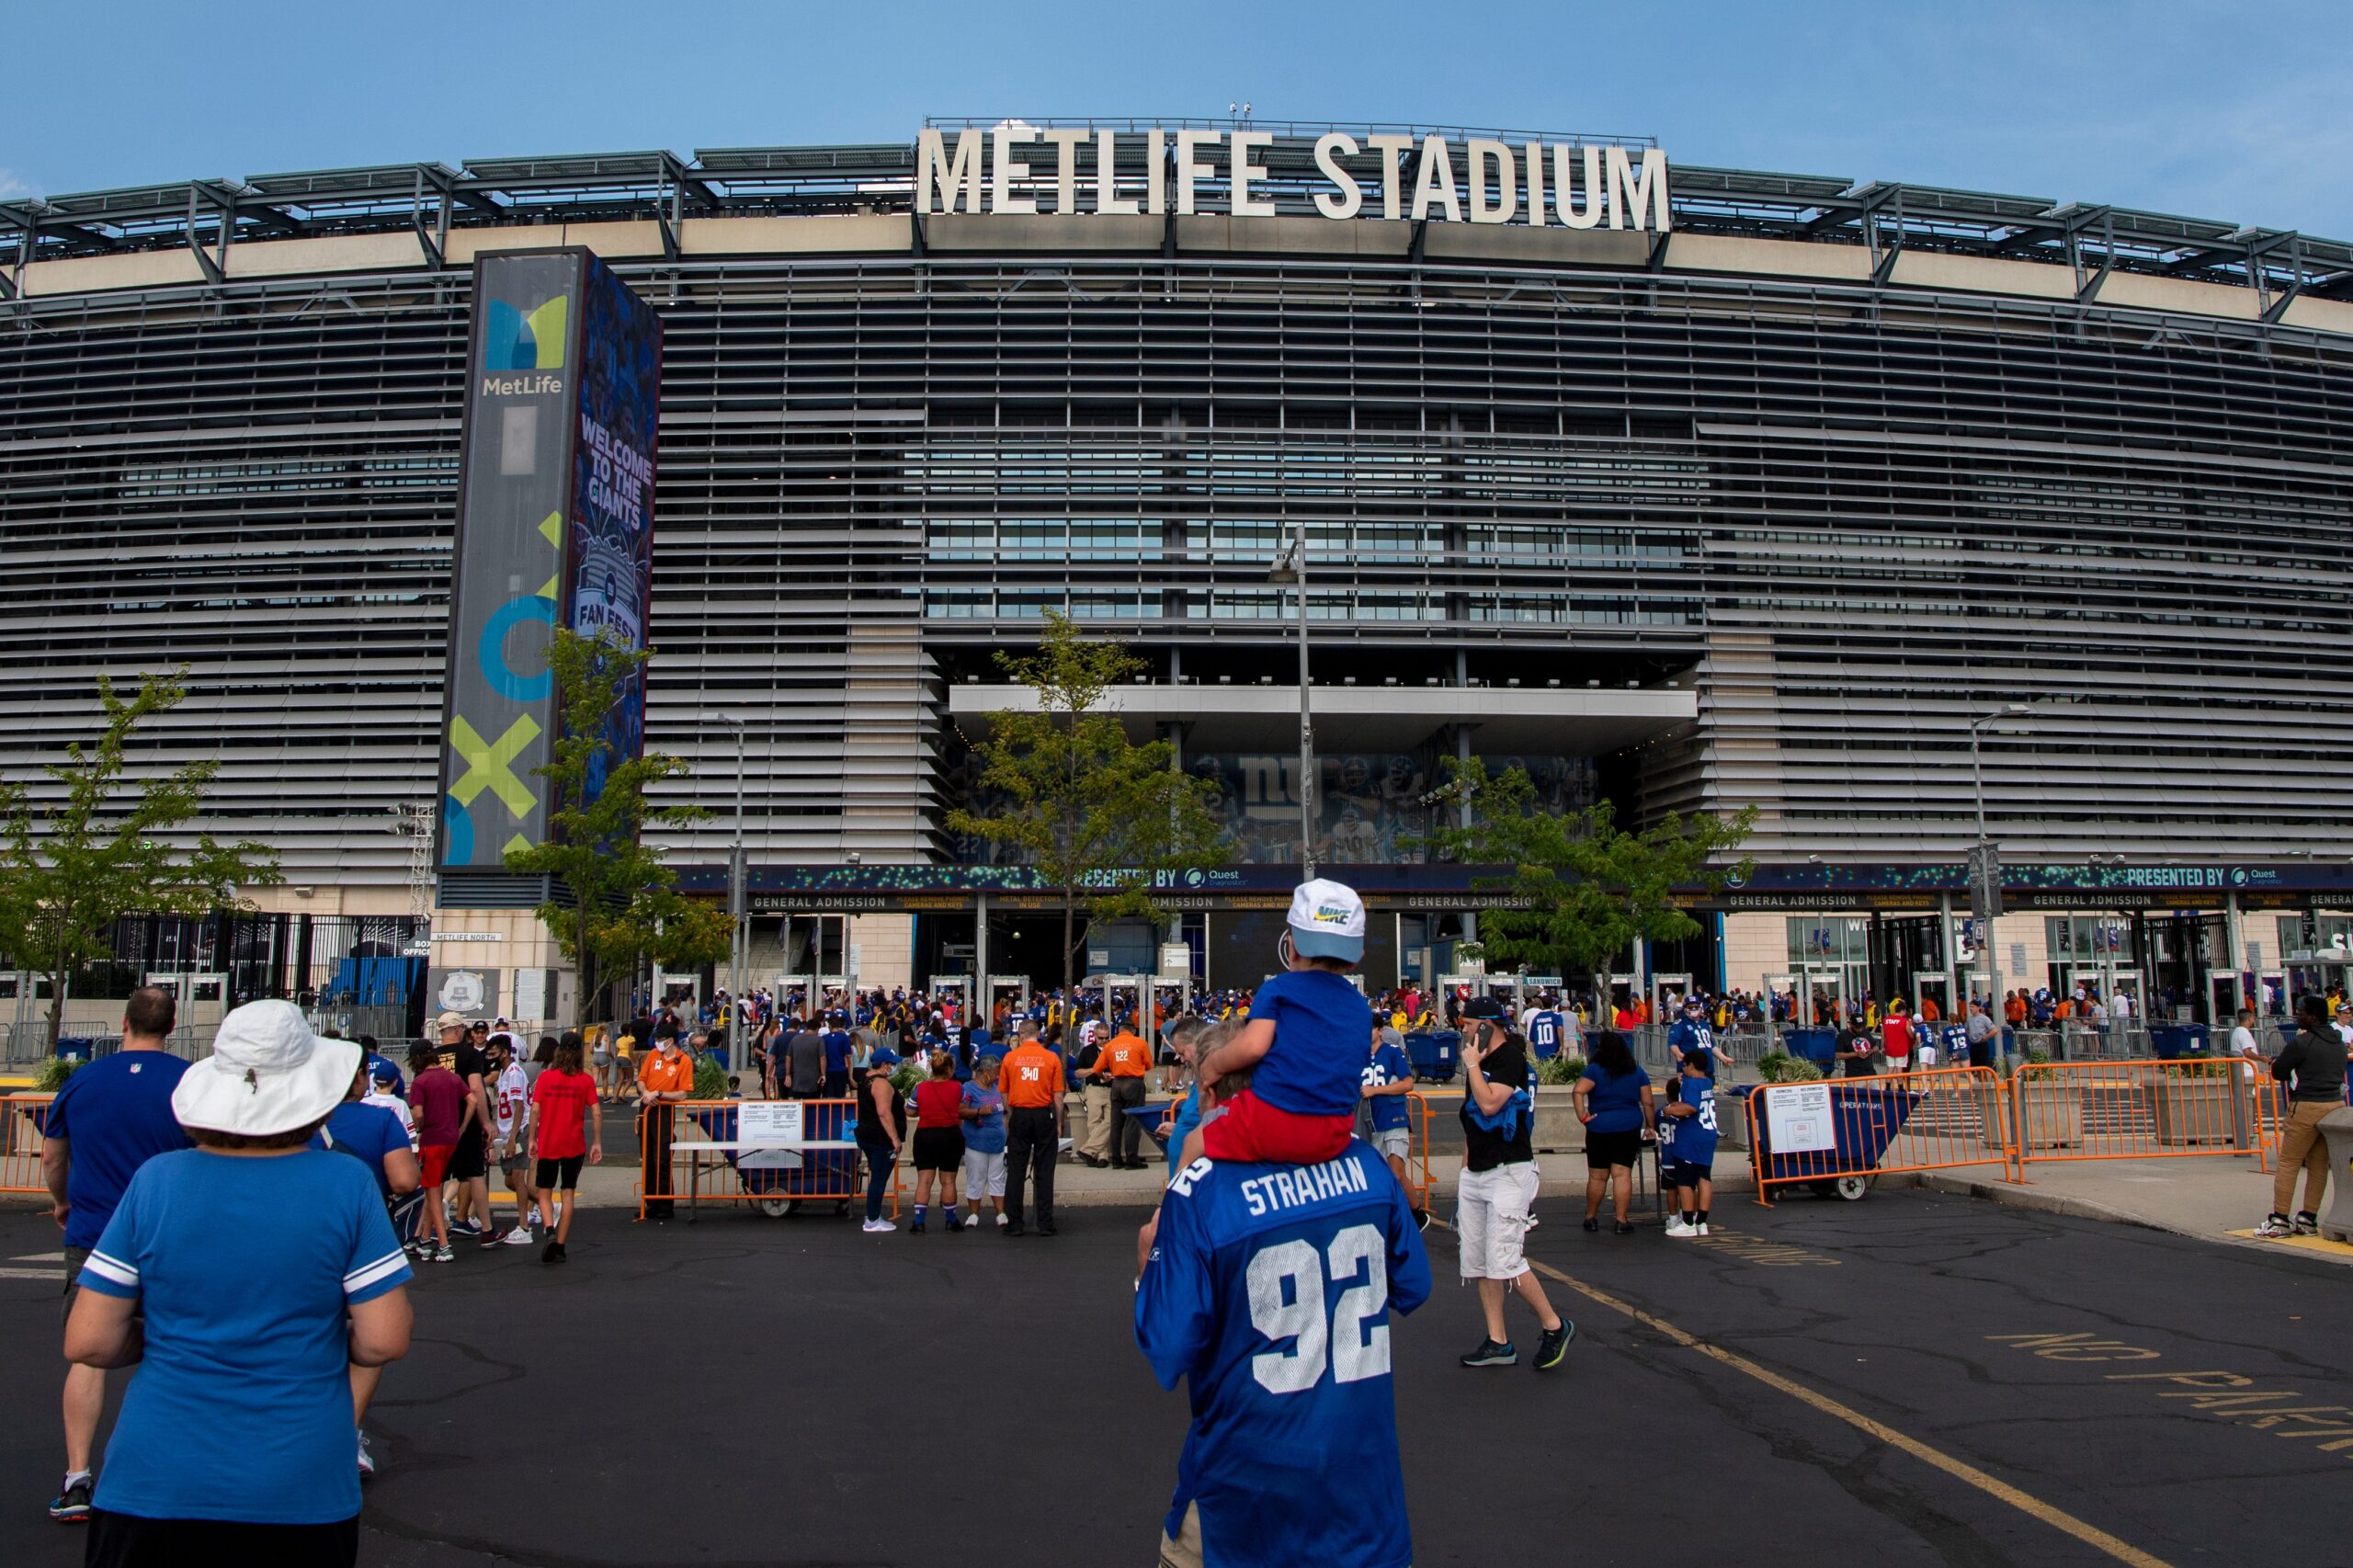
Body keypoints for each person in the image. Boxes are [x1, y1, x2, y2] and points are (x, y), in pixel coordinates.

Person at [64, 999, 413, 1566]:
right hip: (298, 1482)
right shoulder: (345, 1184)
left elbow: (89, 1341)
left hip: (154, 1478)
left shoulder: (157, 1181)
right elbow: (384, 1339)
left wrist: (170, 1334)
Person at [1134, 1082, 1432, 1568]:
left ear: (1212, 1096)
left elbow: (1168, 1349)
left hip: (1246, 1488)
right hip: (1361, 1485)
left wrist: (1147, 1273)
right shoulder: (1365, 1162)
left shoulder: (1203, 1187)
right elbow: (1414, 1287)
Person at [40, 984, 191, 1524]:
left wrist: (62, 1202)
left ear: (123, 1023)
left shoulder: (83, 1079)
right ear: (171, 1026)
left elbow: (54, 1155)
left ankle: (78, 1478)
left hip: (95, 1234)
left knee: (88, 1355)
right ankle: (172, 1477)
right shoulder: (189, 1082)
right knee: (178, 1349)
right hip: (171, 1235)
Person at [1187, 879, 1376, 1168]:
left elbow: (1252, 1047)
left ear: (1292, 947)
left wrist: (1212, 1066)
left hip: (1271, 1121)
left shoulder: (1280, 989)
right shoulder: (1360, 1007)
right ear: (1355, 959)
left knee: (1192, 1142)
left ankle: (1168, 1211)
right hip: (1334, 1131)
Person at [312, 1055, 420, 1479]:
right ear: (357, 1079)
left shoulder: (294, 1119)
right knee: (371, 1335)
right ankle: (346, 1433)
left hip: (299, 1237)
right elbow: (404, 1181)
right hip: (361, 1239)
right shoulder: (379, 1120)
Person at [1456, 1015, 1574, 1370]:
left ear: (1488, 1025)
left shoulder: (1509, 1058)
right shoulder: (1478, 1061)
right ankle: (1498, 1341)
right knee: (1478, 1263)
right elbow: (1473, 1119)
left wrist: (1473, 1066)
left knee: (1505, 1260)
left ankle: (1554, 1325)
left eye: (1468, 1022)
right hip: (1478, 1169)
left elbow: (1491, 1104)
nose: (1463, 1029)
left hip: (1508, 1169)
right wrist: (1465, 1170)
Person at [2256, 994, 2347, 1238]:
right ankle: (2308, 1218)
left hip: (2306, 1105)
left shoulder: (2302, 1042)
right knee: (2318, 1165)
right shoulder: (2338, 1042)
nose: (2297, 1015)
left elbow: (2279, 1071)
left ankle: (2280, 1219)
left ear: (2313, 1016)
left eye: (2300, 1012)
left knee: (2289, 1162)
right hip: (2334, 1106)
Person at [527, 1031, 603, 1263]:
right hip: (574, 1142)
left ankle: (549, 1229)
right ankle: (560, 1244)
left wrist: (532, 1138)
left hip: (549, 1140)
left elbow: (535, 1109)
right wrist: (597, 1142)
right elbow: (596, 1111)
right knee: (568, 1192)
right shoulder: (585, 1080)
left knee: (544, 1190)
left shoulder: (547, 1078)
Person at [1573, 1028, 1654, 1235]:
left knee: (1597, 1176)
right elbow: (1648, 1102)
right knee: (1622, 1173)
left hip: (1599, 1126)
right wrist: (1651, 1127)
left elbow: (1578, 1091)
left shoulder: (1595, 1070)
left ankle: (1591, 1217)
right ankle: (1621, 1219)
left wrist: (1583, 1116)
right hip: (1628, 1125)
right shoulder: (1637, 1071)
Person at [1000, 1021, 1067, 1237]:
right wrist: (1058, 1122)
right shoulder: (1051, 1057)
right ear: (1039, 1034)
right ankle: (1045, 1222)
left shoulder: (1010, 1058)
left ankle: (1015, 1222)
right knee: (1045, 1170)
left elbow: (1003, 1092)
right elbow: (1058, 1095)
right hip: (1043, 1113)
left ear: (1020, 1035)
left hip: (1020, 1113)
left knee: (1016, 1170)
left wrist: (1010, 1115)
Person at [439, 1012, 496, 1244]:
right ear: (458, 1030)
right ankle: (487, 1229)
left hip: (438, 1124)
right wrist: (485, 1121)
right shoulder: (470, 1054)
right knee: (475, 1175)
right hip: (465, 1122)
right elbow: (476, 1089)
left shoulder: (430, 1057)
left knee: (436, 1180)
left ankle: (429, 1230)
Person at [1360, 1015, 1423, 1225]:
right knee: (1374, 1176)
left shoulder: (1392, 1053)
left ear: (1379, 1031)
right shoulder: (1356, 1057)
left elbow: (1407, 1083)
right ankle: (1388, 1218)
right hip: (1369, 1124)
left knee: (1396, 1173)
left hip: (1393, 1119)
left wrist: (1376, 1090)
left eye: (1369, 1028)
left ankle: (1417, 1215)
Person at [404, 1043, 462, 1262]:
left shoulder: (420, 1081)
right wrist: (461, 1127)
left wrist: (420, 1127)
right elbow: (472, 1099)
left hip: (432, 1140)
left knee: (432, 1190)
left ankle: (444, 1245)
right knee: (433, 1187)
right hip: (450, 1139)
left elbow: (418, 1113)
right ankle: (425, 1238)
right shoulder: (453, 1078)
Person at [636, 1021, 694, 1221]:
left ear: (670, 1041)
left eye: (660, 1040)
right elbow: (641, 1079)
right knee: (647, 1156)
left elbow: (682, 1094)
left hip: (664, 1110)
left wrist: (660, 1093)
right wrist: (646, 1092)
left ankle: (665, 1202)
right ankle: (650, 1201)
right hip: (648, 1107)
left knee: (662, 1157)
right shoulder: (653, 1055)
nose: (657, 1042)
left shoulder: (683, 1061)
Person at [1662, 1048, 1722, 1238]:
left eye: (1685, 1065)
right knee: (1704, 1178)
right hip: (1708, 1134)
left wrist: (1669, 1111)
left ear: (1692, 1066)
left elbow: (1690, 1108)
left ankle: (1688, 1222)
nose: (1683, 1069)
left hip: (1691, 1136)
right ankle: (1701, 1222)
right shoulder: (1707, 1082)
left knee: (1685, 1181)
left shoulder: (1691, 1083)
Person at [484, 1034, 537, 1246]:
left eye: (494, 1053)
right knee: (510, 1181)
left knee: (518, 1178)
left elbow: (519, 1107)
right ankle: (547, 1205)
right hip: (508, 1131)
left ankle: (524, 1226)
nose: (491, 1057)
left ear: (505, 1052)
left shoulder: (514, 1072)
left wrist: (513, 1137)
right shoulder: (503, 1074)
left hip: (520, 1129)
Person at [908, 1050, 965, 1234]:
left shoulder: (921, 1088)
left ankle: (919, 1222)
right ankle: (950, 1220)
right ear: (949, 1069)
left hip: (925, 1134)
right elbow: (962, 1106)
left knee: (924, 1180)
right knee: (948, 1180)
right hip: (950, 1134)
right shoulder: (957, 1087)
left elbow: (910, 1111)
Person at [856, 1048, 906, 1234]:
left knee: (876, 1176)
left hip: (868, 1135)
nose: (893, 1067)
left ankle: (872, 1215)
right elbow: (884, 1112)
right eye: (891, 1064)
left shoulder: (866, 1079)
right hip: (880, 1138)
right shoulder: (881, 1084)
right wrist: (895, 1138)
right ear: (884, 1065)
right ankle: (873, 1218)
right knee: (879, 1178)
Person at [958, 1054, 1010, 1230]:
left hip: (997, 1142)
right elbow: (961, 1111)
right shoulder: (969, 1088)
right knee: (976, 1177)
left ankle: (1000, 1213)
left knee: (998, 1177)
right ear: (986, 1072)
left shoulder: (995, 1089)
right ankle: (974, 1214)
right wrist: (979, 1111)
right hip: (977, 1142)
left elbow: (1003, 1112)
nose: (997, 1076)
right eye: (996, 1073)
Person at [1097, 1017, 1154, 1169]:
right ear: (1133, 1031)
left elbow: (1097, 1068)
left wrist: (1104, 1077)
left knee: (1116, 1123)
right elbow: (1149, 1065)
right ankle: (1131, 1159)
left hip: (1116, 1084)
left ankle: (1116, 1160)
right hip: (1133, 1083)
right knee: (1133, 1122)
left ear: (1118, 1031)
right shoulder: (1140, 1042)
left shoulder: (1110, 1045)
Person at [1073, 1027, 1112, 1168]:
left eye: (1107, 1037)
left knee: (1111, 1121)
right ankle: (1102, 1155)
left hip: (1111, 1088)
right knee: (1094, 1121)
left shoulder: (1113, 1049)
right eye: (1101, 1038)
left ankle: (1087, 1150)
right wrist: (1094, 1070)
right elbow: (1077, 1072)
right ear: (1094, 1036)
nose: (1104, 1041)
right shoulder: (1087, 1051)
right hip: (1094, 1088)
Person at [1837, 1012, 1878, 1077]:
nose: (1860, 1029)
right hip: (1854, 1075)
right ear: (1851, 1024)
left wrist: (1871, 1051)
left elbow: (1876, 1047)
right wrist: (1856, 1054)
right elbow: (1838, 1055)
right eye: (1857, 1027)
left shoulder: (1865, 1031)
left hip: (1871, 1073)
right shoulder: (1843, 1035)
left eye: (1861, 1026)